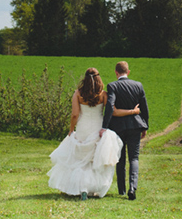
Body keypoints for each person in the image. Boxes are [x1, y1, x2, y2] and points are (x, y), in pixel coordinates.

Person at [48, 67, 141, 199]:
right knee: (94, 160)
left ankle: (83, 188)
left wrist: (71, 130)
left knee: (81, 160)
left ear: (84, 79)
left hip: (82, 129)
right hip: (98, 129)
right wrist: (133, 112)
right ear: (98, 79)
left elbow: (75, 114)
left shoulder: (78, 94)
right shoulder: (103, 94)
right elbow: (113, 111)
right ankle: (91, 189)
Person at [102, 61, 149, 200]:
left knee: (120, 159)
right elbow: (145, 108)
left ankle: (121, 189)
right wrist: (145, 126)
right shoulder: (138, 85)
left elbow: (110, 106)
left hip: (118, 127)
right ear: (128, 72)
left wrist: (105, 126)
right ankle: (132, 188)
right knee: (134, 158)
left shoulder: (112, 86)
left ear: (116, 72)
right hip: (135, 125)